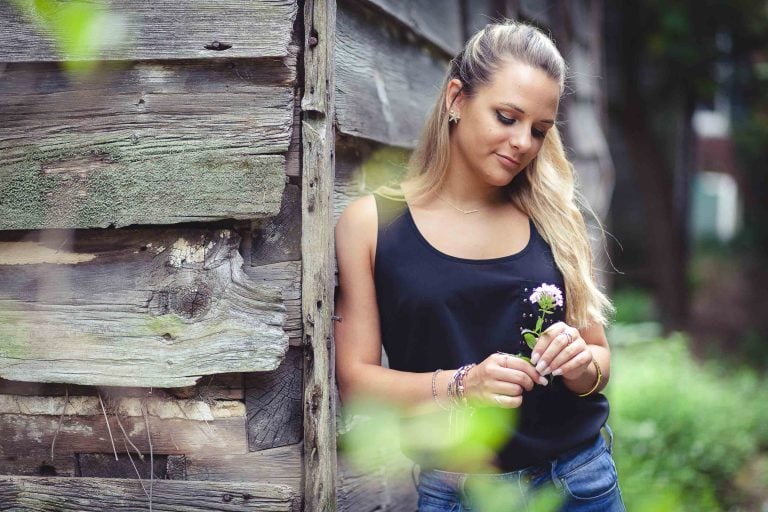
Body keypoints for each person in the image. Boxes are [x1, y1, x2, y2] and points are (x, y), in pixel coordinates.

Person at [334, 19, 625, 512]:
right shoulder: (372, 224)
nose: (523, 143)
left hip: (577, 483)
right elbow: (356, 381)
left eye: (539, 129)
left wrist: (579, 364)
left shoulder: (554, 217)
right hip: (456, 494)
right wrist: (462, 384)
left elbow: (598, 361)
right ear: (456, 99)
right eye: (507, 117)